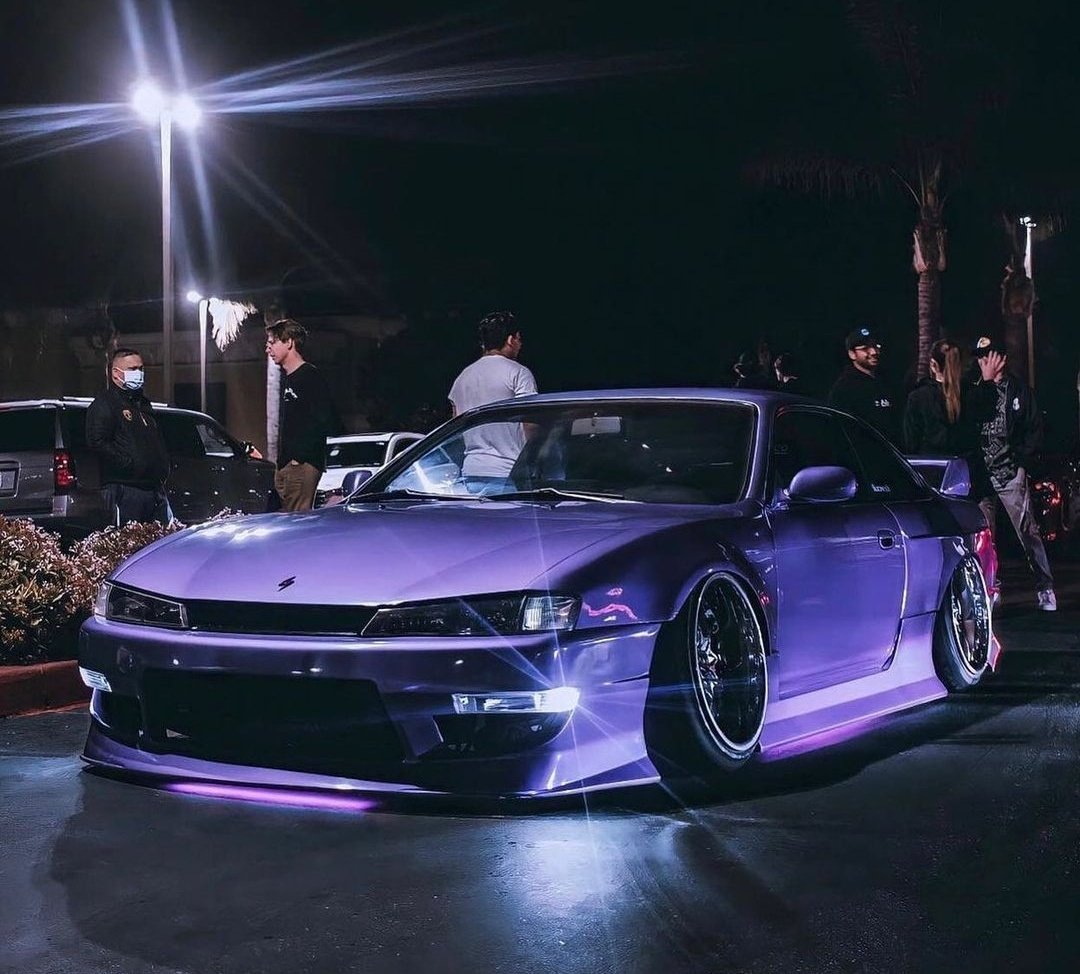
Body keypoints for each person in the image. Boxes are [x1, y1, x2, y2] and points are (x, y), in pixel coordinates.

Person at [971, 336, 1056, 610]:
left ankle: (1045, 587)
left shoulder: (1018, 390)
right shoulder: (975, 389)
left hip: (1009, 473)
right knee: (985, 538)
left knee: (1028, 531)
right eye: (980, 357)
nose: (983, 361)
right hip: (982, 476)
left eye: (988, 355)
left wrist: (1021, 464)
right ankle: (991, 589)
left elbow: (1034, 428)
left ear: (1002, 358)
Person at [447, 311, 538, 486]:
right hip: (508, 473)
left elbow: (455, 429)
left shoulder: (462, 378)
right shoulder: (518, 372)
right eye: (518, 339)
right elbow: (530, 425)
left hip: (471, 472)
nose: (520, 344)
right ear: (510, 340)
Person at [86, 347, 171, 525]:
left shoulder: (143, 405)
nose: (138, 373)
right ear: (116, 373)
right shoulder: (106, 404)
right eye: (132, 369)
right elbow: (97, 442)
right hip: (124, 489)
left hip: (153, 489)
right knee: (129, 539)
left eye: (140, 368)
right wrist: (129, 464)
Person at [266, 318, 342, 512]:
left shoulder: (309, 376)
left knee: (297, 521)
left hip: (301, 465)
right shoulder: (288, 378)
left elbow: (325, 419)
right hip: (287, 466)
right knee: (286, 521)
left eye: (272, 342)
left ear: (289, 342)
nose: (268, 349)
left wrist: (299, 458)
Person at [828, 325, 900, 444]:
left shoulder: (886, 382)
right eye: (865, 348)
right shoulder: (844, 388)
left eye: (876, 346)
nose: (874, 352)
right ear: (852, 354)